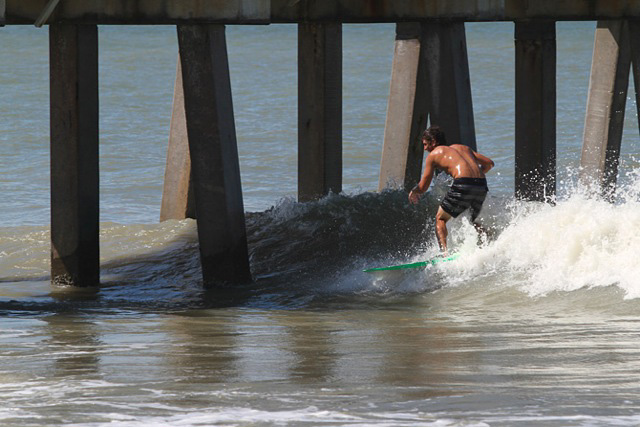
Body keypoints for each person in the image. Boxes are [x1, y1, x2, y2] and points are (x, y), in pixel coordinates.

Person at [409, 126, 494, 255]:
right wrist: (474, 178)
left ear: (434, 142)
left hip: (463, 183)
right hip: (481, 185)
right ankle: (491, 242)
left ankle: (444, 253)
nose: (425, 148)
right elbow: (489, 163)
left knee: (440, 219)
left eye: (426, 144)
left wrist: (414, 191)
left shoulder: (434, 154)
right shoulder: (462, 148)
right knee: (471, 220)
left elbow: (423, 187)